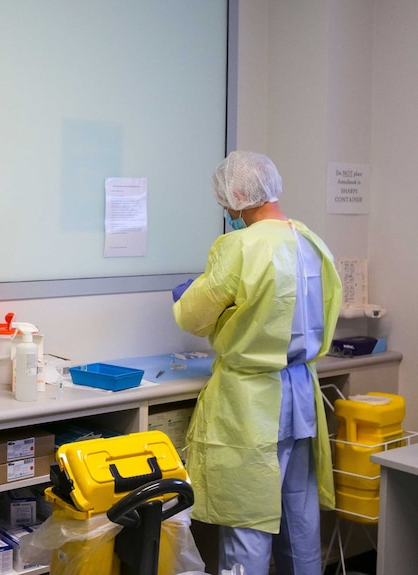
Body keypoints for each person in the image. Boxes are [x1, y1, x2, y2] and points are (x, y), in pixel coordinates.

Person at [172, 151, 343, 575]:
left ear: (238, 196)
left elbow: (193, 316)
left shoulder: (240, 246)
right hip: (301, 391)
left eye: (225, 204)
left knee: (248, 516)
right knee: (298, 513)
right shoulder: (310, 241)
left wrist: (187, 294)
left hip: (252, 400)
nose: (226, 211)